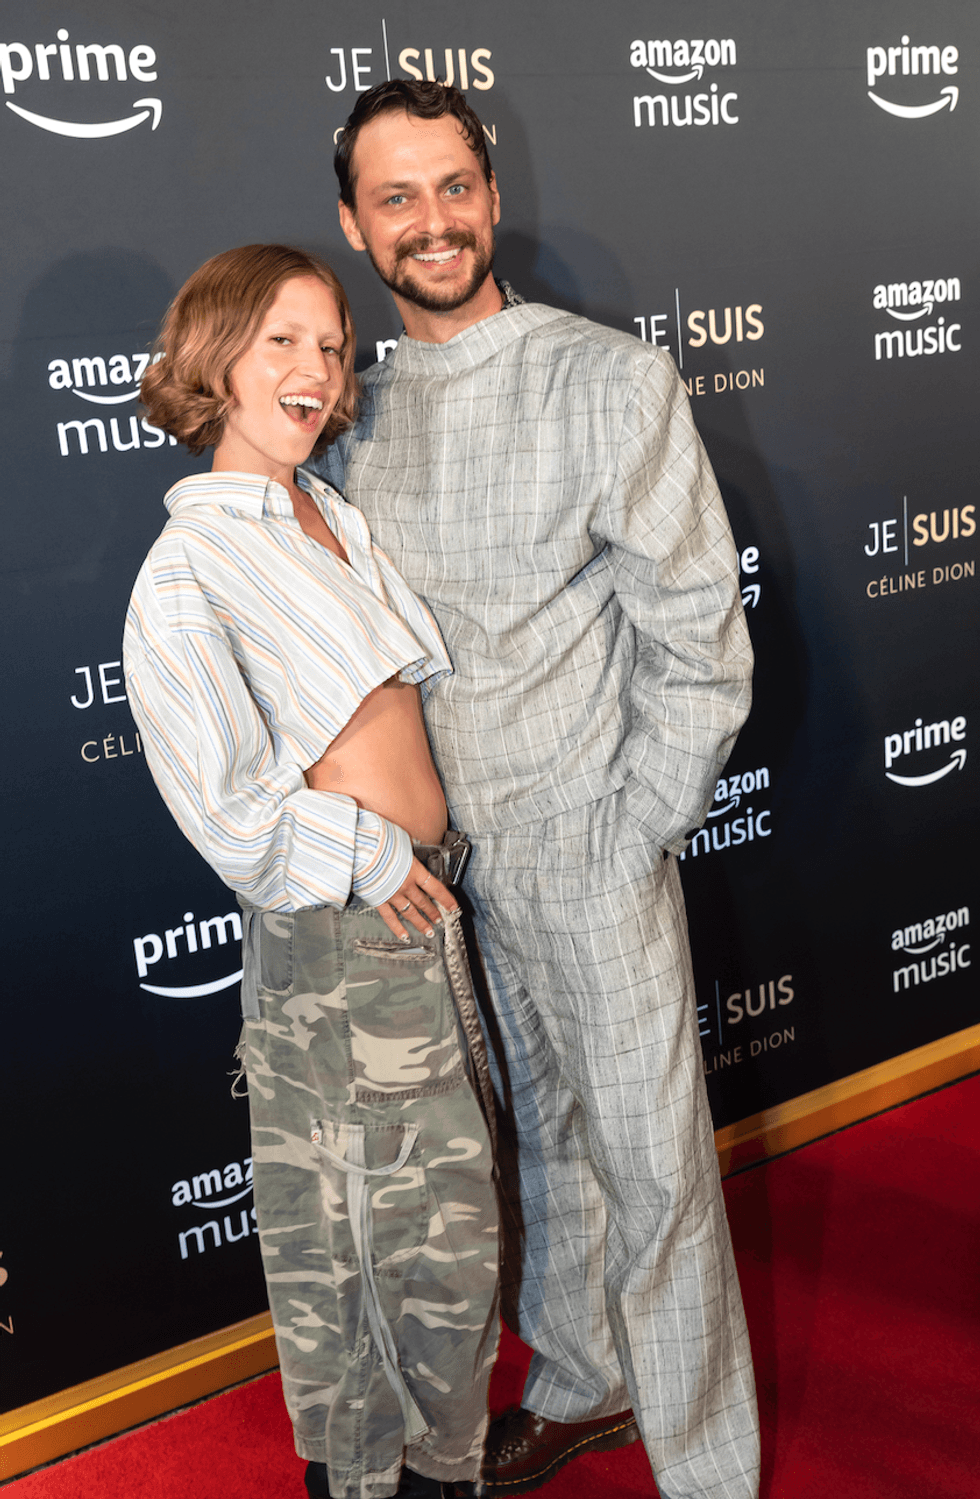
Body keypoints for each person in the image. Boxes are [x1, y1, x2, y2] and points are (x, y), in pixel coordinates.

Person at [319, 82, 761, 1499]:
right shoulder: (352, 411)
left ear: (491, 196)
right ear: (355, 224)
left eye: (453, 187)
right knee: (540, 1144)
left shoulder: (609, 380)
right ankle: (584, 1381)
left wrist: (631, 829)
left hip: (589, 833)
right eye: (397, 197)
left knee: (655, 1165)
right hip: (442, 863)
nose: (431, 221)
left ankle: (709, 1463)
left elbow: (701, 632)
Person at [123, 244, 500, 1499]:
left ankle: (443, 1463)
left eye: (331, 344)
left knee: (441, 1241)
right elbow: (227, 810)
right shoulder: (184, 572)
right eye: (282, 338)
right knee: (348, 1241)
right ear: (216, 354)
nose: (314, 366)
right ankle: (365, 1481)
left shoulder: (328, 510)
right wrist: (373, 848)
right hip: (338, 938)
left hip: (412, 922)